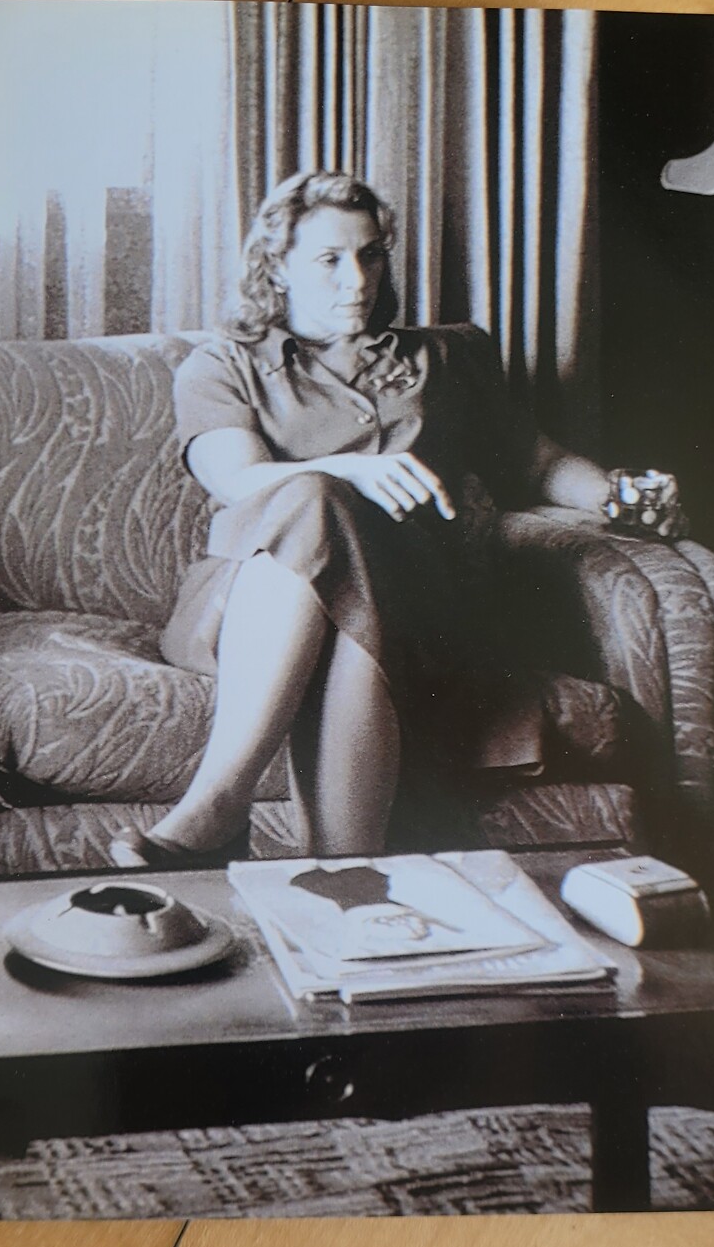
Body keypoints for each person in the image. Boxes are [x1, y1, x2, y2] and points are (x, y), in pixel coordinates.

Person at [112, 170, 682, 869]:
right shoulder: (222, 366)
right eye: (329, 259)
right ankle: (268, 828)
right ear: (277, 268)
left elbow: (535, 462)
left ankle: (308, 862)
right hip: (251, 606)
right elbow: (237, 480)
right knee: (315, 503)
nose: (357, 280)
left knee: (360, 595)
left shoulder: (445, 359)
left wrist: (619, 497)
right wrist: (349, 471)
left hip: (410, 600)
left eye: (371, 255)